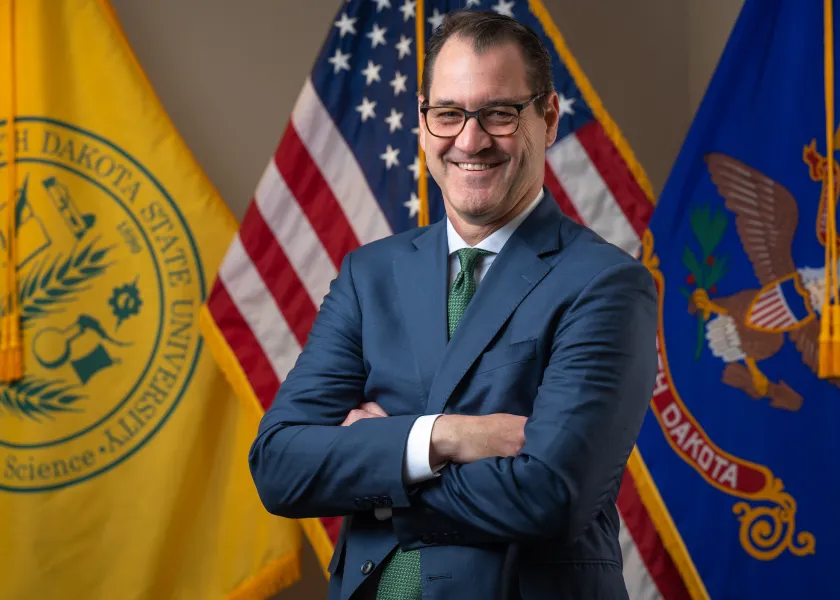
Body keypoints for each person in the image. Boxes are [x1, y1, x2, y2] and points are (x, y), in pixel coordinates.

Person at [249, 9, 658, 600]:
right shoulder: (370, 276)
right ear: (423, 123)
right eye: (449, 114)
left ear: (546, 118)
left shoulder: (605, 284)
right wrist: (443, 437)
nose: (470, 140)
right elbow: (280, 466)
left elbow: (551, 497)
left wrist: (377, 467)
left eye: (499, 113)